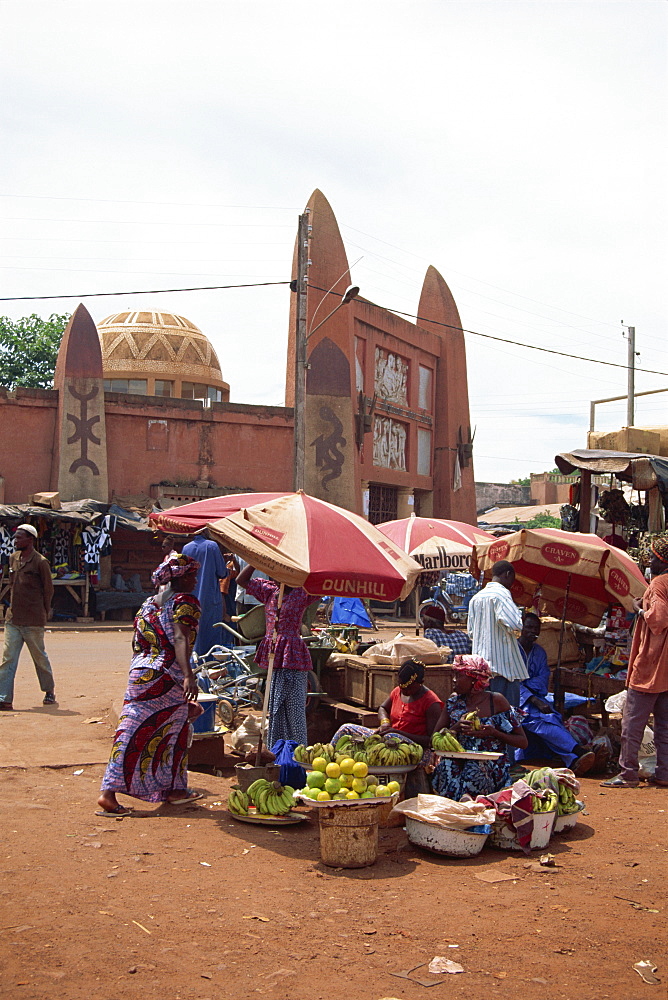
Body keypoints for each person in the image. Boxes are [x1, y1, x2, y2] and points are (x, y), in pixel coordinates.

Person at [97, 554, 203, 815]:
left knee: (165, 728)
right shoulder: (184, 602)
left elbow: (138, 642)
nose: (195, 580)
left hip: (141, 674)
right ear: (179, 579)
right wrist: (188, 675)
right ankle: (108, 793)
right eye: (191, 575)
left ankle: (176, 790)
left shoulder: (147, 604)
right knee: (147, 730)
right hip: (166, 677)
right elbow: (180, 639)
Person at [601, 534, 668, 789]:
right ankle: (664, 773)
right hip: (666, 668)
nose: (650, 562)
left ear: (662, 561)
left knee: (632, 723)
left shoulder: (659, 585)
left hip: (651, 665)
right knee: (664, 725)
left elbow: (659, 620)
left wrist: (638, 609)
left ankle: (628, 773)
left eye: (652, 558)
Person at [236, 563, 318, 747]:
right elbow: (241, 580)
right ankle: (277, 750)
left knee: (294, 707)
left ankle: (297, 751)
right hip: (275, 654)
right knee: (275, 708)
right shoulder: (269, 591)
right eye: (273, 573)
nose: (275, 577)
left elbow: (323, 586)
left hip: (294, 655)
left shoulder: (302, 592)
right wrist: (255, 560)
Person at [431, 654, 528, 800]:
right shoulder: (453, 703)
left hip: (490, 764)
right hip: (457, 759)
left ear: (474, 680)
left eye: (459, 675)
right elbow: (434, 737)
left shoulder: (496, 701)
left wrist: (494, 733)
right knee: (445, 768)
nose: (454, 680)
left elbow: (522, 742)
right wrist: (455, 728)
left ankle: (470, 805)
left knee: (473, 771)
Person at [516, 612, 595, 776]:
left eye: (536, 629)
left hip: (536, 697)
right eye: (529, 627)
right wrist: (532, 697)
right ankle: (576, 752)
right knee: (536, 718)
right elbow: (513, 682)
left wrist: (528, 685)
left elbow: (543, 679)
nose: (532, 632)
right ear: (520, 628)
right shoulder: (511, 650)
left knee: (551, 717)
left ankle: (573, 758)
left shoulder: (540, 652)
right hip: (516, 699)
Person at [0, 524, 56, 711]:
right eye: (15, 538)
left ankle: (49, 690)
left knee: (39, 658)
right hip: (13, 619)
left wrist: (45, 613)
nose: (15, 541)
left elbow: (48, 590)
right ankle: (4, 698)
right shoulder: (13, 558)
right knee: (8, 659)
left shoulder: (41, 562)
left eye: (19, 538)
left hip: (33, 620)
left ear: (30, 540)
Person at [331, 659, 444, 749]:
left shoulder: (431, 703)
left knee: (391, 737)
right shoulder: (397, 692)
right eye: (402, 687)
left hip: (413, 747)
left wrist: (398, 733)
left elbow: (430, 741)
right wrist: (385, 723)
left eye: (409, 688)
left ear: (421, 683)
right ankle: (327, 755)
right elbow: (383, 708)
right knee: (346, 728)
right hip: (389, 736)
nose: (404, 691)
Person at [467, 559, 527, 706]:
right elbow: (515, 624)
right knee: (507, 716)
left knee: (485, 715)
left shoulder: (476, 598)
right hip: (502, 670)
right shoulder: (501, 595)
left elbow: (471, 633)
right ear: (507, 574)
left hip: (481, 670)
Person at [182, 531, 228, 657]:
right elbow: (222, 572)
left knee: (193, 631)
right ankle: (210, 664)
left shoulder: (186, 548)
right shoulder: (212, 546)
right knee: (211, 632)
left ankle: (194, 662)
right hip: (210, 597)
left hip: (191, 596)